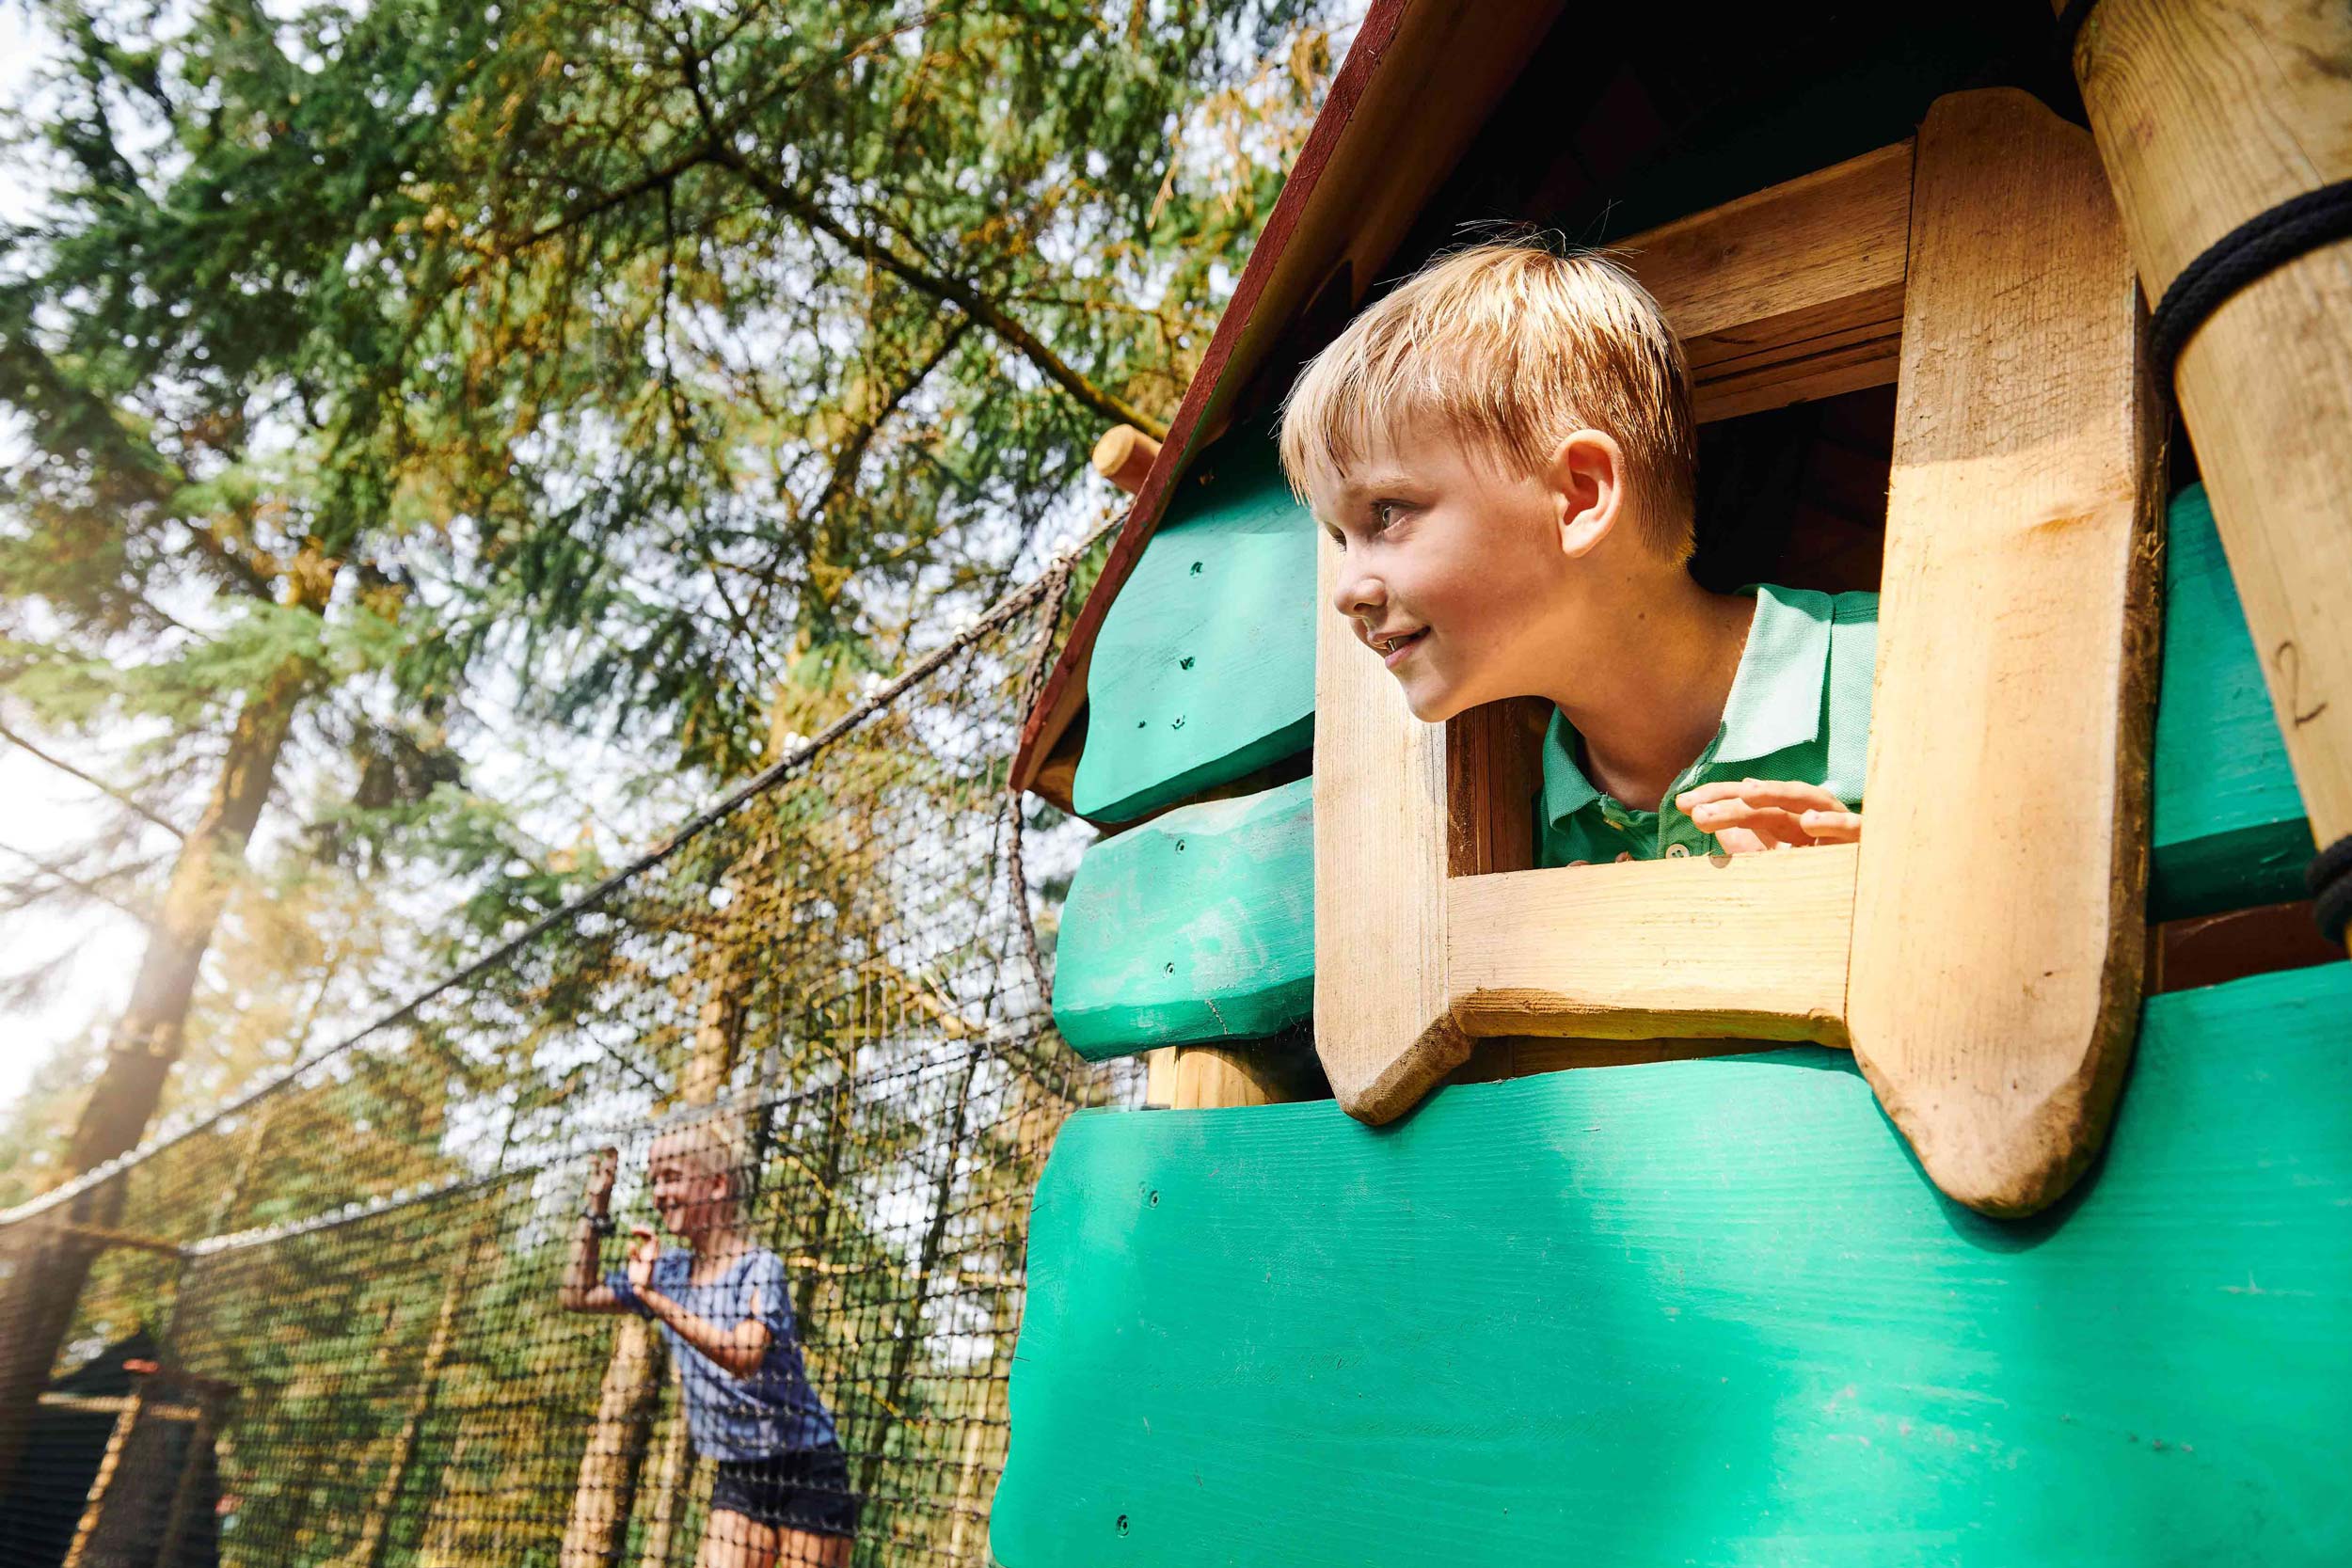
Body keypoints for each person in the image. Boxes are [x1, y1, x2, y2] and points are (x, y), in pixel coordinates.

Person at [1279, 239, 1877, 863]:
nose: (1347, 591)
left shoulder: (1899, 661)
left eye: (1388, 512)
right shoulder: (1525, 831)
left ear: (1581, 496)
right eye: (1341, 539)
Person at [559, 1118, 855, 1568]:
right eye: (652, 1181)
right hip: (738, 1471)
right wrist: (597, 1211)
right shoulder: (669, 1270)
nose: (658, 1193)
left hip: (807, 1468)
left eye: (671, 1177)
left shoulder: (759, 1267)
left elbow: (743, 1357)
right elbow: (576, 1295)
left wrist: (652, 1299)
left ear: (717, 1184)